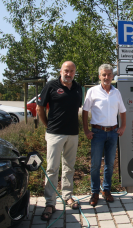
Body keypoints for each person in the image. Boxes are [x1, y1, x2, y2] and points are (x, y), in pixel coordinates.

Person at [37, 61, 83, 221]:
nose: (69, 73)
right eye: (66, 70)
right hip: (55, 134)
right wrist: (47, 126)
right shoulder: (51, 86)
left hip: (72, 134)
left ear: (74, 72)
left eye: (71, 71)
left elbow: (78, 108)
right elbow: (39, 108)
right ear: (60, 71)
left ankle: (68, 196)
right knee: (51, 169)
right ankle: (50, 203)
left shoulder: (78, 88)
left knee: (69, 167)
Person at [82, 64, 126, 207]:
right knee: (95, 165)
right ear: (99, 76)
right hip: (97, 133)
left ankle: (106, 190)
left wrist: (123, 126)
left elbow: (123, 111)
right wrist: (86, 130)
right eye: (104, 75)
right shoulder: (92, 91)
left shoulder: (116, 92)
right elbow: (85, 111)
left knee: (110, 164)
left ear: (113, 76)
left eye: (109, 74)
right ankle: (95, 192)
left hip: (113, 133)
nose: (106, 77)